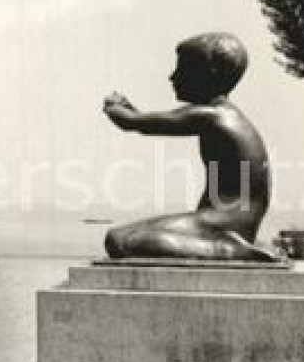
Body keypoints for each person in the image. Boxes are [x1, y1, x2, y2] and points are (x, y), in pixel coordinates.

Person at [101, 33, 279, 261]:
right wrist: (131, 110)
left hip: (226, 222)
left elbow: (135, 124)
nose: (172, 77)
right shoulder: (223, 114)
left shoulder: (212, 116)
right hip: (230, 221)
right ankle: (228, 244)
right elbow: (150, 120)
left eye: (183, 69)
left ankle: (229, 250)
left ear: (210, 74)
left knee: (119, 240)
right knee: (122, 237)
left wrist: (114, 107)